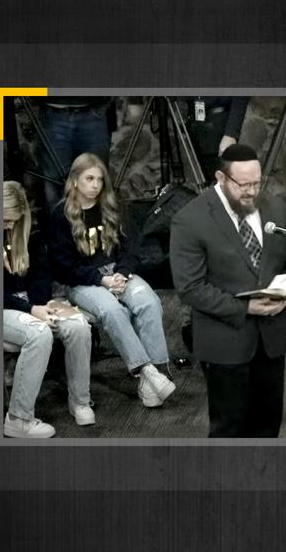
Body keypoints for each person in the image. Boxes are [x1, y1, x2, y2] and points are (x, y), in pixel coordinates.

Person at [169, 144, 286, 437]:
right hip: (225, 343)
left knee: (268, 424)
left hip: (270, 339)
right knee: (229, 429)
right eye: (244, 184)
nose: (252, 191)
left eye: (257, 182)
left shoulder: (275, 208)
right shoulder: (191, 220)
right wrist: (245, 307)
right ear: (221, 177)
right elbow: (190, 288)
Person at [47, 153, 176, 408]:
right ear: (75, 181)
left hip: (117, 272)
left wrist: (122, 272)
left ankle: (156, 375)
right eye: (89, 178)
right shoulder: (61, 215)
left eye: (99, 179)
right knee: (113, 310)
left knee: (148, 301)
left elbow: (131, 247)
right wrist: (101, 280)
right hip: (83, 282)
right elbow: (64, 267)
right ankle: (147, 371)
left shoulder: (112, 205)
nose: (95, 185)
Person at [2, 181, 94, 438]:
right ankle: (18, 418)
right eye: (5, 220)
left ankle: (80, 401)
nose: (10, 226)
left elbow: (41, 275)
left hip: (31, 304)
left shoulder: (27, 234)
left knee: (78, 325)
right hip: (0, 307)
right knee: (39, 333)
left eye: (14, 221)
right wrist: (32, 309)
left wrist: (42, 304)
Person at [34, 96, 115, 225]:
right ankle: (58, 240)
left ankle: (96, 239)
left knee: (97, 180)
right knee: (53, 185)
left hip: (93, 108)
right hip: (52, 108)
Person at [183, 96, 250, 184]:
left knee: (223, 182)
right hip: (196, 124)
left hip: (220, 124)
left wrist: (230, 134)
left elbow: (240, 95)